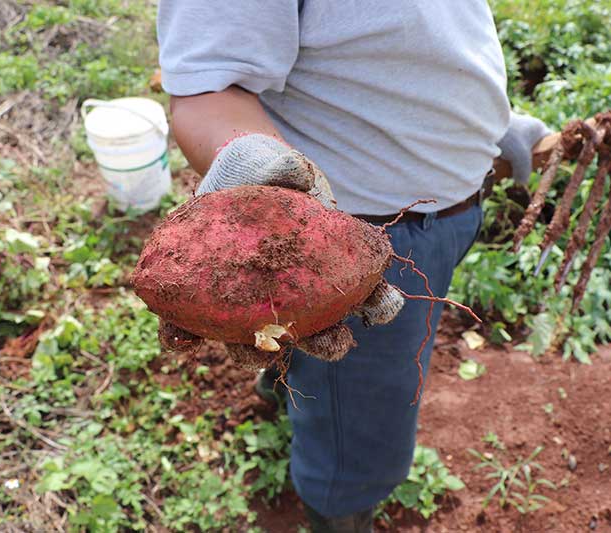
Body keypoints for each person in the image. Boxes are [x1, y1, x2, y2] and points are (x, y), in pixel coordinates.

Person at [156, 2, 550, 531]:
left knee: (322, 368)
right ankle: (341, 507)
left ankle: (281, 386)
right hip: (349, 249)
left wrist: (495, 126)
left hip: (446, 217)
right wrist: (261, 183)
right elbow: (206, 91)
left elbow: (416, 42)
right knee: (363, 427)